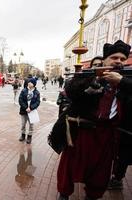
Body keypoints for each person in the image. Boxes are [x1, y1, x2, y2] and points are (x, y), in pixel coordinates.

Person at [57, 40, 131, 200]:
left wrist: (122, 82)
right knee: (69, 167)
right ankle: (63, 194)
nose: (119, 61)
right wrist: (95, 81)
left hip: (106, 136)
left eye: (123, 59)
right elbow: (70, 90)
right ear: (105, 60)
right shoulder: (91, 75)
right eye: (114, 57)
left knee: (100, 172)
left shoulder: (127, 79)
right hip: (82, 132)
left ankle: (92, 196)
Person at [18, 78, 40, 144]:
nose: (29, 83)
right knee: (23, 124)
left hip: (32, 112)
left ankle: (29, 136)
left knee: (31, 125)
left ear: (34, 84)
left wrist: (31, 108)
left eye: (30, 82)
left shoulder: (37, 92)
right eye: (29, 82)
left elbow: (38, 102)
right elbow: (20, 100)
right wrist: (26, 108)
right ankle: (23, 135)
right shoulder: (24, 90)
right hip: (24, 111)